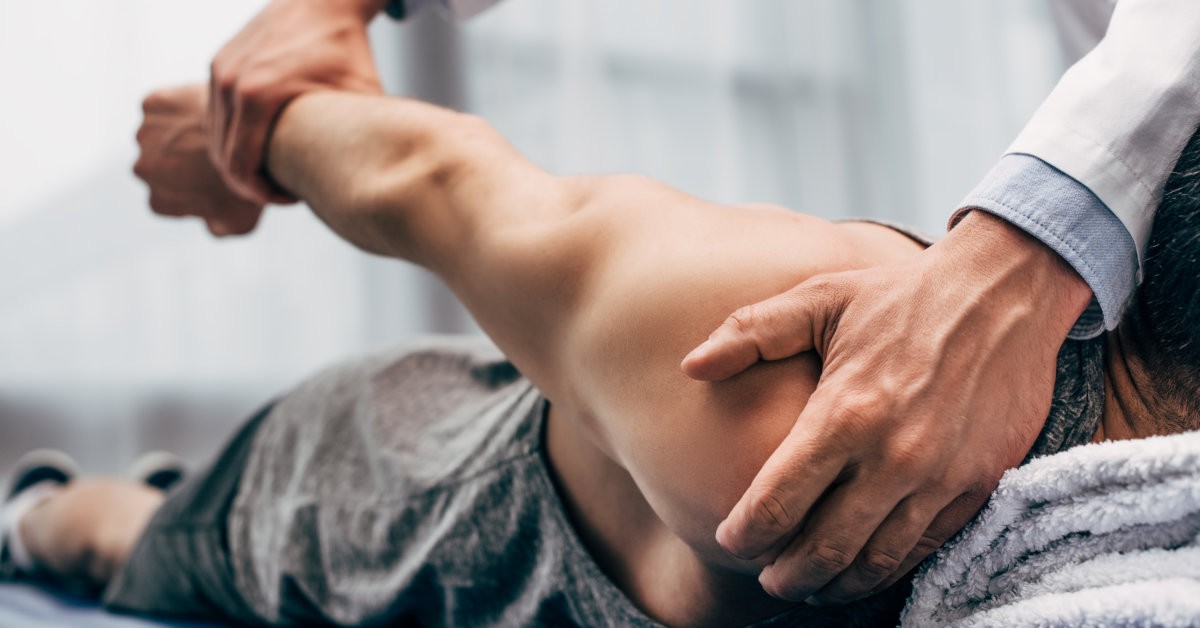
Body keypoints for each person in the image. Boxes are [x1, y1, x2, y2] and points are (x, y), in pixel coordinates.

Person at [4, 82, 1200, 626]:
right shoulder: (789, 369)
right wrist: (258, 128)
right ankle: (44, 508)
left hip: (602, 450)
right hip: (381, 475)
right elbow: (445, 187)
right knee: (128, 541)